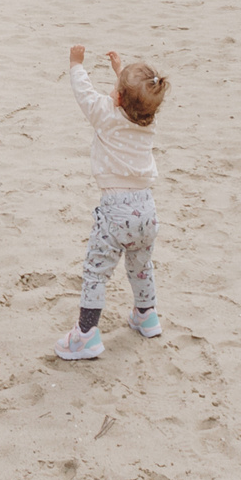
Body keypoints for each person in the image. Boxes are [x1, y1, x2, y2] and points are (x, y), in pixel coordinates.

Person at [54, 43, 170, 360]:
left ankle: (86, 335)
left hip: (115, 211)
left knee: (96, 272)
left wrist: (76, 64)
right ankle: (147, 316)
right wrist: (120, 72)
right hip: (147, 210)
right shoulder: (149, 122)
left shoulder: (106, 116)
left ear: (117, 97)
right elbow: (136, 98)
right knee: (141, 266)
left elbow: (85, 94)